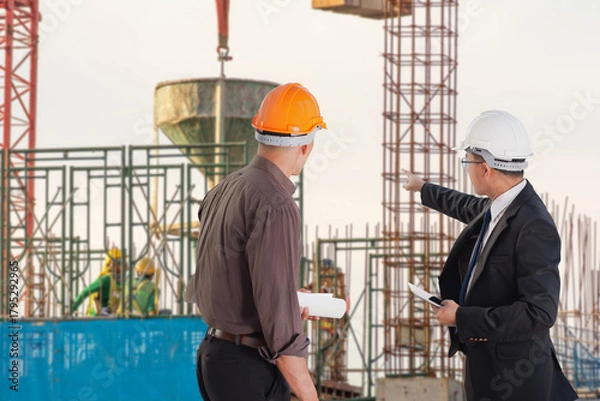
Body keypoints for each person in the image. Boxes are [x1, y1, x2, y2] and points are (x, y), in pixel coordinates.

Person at [402, 110, 578, 401]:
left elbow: (539, 313)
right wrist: (424, 188)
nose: (467, 169)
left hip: (517, 383)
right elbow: (463, 204)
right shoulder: (498, 207)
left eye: (467, 162)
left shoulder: (534, 225)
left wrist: (462, 317)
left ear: (485, 168)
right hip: (489, 372)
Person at [193, 82, 325, 401]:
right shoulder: (277, 205)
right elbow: (282, 338)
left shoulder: (225, 188)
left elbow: (234, 279)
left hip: (214, 356)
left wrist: (287, 300)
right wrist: (310, 395)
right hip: (247, 366)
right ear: (306, 145)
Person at [70, 247, 124, 316]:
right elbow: (86, 292)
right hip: (98, 317)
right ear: (111, 265)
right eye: (120, 262)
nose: (124, 265)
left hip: (111, 317)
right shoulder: (106, 279)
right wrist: (72, 309)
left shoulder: (122, 283)